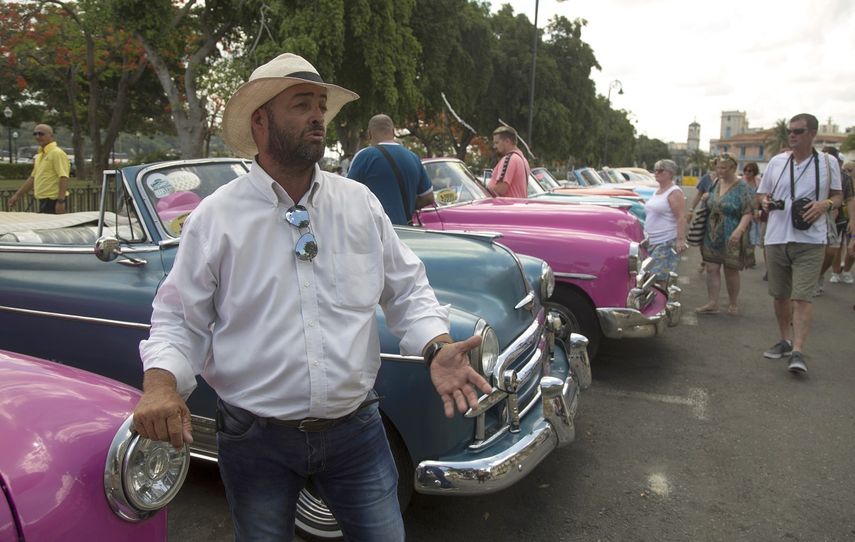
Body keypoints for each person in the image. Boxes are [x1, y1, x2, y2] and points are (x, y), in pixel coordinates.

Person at [131, 53, 492, 541]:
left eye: (321, 105)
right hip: (255, 439)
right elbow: (179, 318)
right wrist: (160, 386)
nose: (318, 116)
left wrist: (436, 346)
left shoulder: (358, 203)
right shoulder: (217, 217)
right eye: (302, 105)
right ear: (261, 122)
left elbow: (407, 289)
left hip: (357, 431)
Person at [757, 113, 842, 374]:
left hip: (811, 239)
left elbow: (838, 197)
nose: (792, 135)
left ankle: (798, 351)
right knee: (780, 295)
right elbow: (761, 194)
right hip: (776, 237)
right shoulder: (777, 162)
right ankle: (785, 339)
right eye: (790, 131)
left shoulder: (827, 163)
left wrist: (825, 204)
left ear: (812, 134)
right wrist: (765, 202)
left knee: (802, 297)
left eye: (798, 131)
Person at [346, 114, 435, 225]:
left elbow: (347, 195)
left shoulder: (364, 156)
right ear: (393, 132)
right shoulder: (413, 157)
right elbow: (428, 197)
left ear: (369, 134)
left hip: (375, 230)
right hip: (405, 229)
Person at [695, 153, 754, 316]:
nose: (720, 171)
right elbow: (711, 201)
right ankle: (712, 303)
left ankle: (733, 302)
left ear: (733, 168)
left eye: (723, 168)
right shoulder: (716, 182)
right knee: (711, 268)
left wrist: (739, 230)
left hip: (731, 232)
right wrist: (707, 197)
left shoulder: (742, 187)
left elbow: (748, 211)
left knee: (730, 270)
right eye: (718, 167)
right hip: (712, 232)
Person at [8, 124, 70, 214]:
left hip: (53, 200)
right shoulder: (40, 155)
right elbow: (32, 178)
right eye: (35, 134)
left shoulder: (57, 153)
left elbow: (63, 177)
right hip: (44, 200)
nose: (37, 137)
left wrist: (61, 201)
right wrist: (17, 196)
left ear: (51, 136)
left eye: (41, 134)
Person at [644, 159, 687, 287]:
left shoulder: (674, 192)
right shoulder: (657, 191)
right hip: (652, 241)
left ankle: (663, 299)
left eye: (660, 170)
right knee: (649, 276)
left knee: (658, 278)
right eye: (655, 170)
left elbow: (681, 217)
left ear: (670, 173)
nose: (656, 173)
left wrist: (680, 240)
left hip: (666, 241)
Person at [818, 149, 853, 288]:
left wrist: (852, 220)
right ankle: (813, 280)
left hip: (837, 219)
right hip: (815, 218)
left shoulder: (845, 178)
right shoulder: (814, 173)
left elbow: (850, 199)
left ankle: (819, 275)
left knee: (832, 250)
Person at [487, 126, 530, 198]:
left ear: (507, 141)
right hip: (518, 203)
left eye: (497, 142)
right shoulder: (522, 159)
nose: (494, 146)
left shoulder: (509, 159)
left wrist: (484, 191)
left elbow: (501, 189)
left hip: (506, 204)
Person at [742, 162, 761, 267]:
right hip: (742, 212)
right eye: (745, 170)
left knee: (752, 237)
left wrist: (756, 210)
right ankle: (744, 257)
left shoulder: (758, 182)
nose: (747, 173)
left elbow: (758, 197)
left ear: (754, 172)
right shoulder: (741, 182)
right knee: (744, 237)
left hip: (753, 212)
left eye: (749, 171)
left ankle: (751, 259)